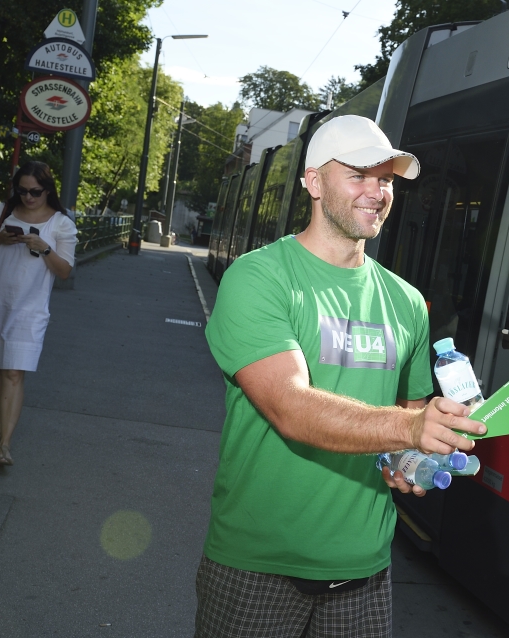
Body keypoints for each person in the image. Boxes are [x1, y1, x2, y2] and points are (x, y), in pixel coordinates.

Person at [196, 115, 485, 638]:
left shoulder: (406, 301)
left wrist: (412, 455)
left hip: (365, 569)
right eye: (359, 175)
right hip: (257, 562)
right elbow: (289, 406)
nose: (376, 192)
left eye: (387, 179)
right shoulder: (258, 278)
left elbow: (410, 415)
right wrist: (407, 430)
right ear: (313, 182)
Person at [0, 161, 77, 467]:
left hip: (30, 310)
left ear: (48, 190)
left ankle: (5, 445)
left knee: (14, 372)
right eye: (22, 191)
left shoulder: (61, 224)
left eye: (36, 192)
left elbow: (65, 272)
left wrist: (44, 248)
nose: (28, 197)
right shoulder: (1, 212)